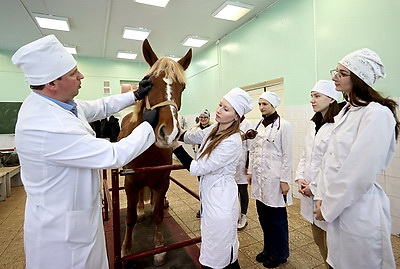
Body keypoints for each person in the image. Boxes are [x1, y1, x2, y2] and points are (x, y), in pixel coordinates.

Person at [11, 34, 158, 269]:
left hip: (78, 217)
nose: (81, 76)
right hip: (62, 237)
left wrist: (135, 95)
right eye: (73, 73)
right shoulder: (48, 125)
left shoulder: (58, 104)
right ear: (52, 83)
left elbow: (99, 106)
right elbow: (114, 155)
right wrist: (148, 127)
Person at [314, 48, 399, 269]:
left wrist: (328, 206)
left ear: (359, 78)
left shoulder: (377, 114)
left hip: (359, 210)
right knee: (337, 261)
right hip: (339, 208)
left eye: (342, 73)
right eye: (337, 71)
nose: (334, 77)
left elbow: (358, 172)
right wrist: (323, 197)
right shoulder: (346, 112)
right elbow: (329, 163)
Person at [172, 87, 253, 269]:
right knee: (220, 251)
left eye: (226, 109)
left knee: (218, 254)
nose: (218, 110)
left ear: (236, 117)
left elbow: (197, 168)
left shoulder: (232, 141)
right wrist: (174, 129)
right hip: (211, 197)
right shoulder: (213, 129)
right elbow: (191, 136)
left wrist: (174, 146)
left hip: (221, 200)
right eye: (220, 105)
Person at [294, 80, 342, 268]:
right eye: (311, 96)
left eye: (316, 96)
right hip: (310, 191)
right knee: (319, 239)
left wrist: (314, 187)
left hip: (326, 195)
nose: (312, 100)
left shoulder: (338, 126)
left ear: (331, 99)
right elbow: (306, 156)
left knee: (333, 245)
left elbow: (332, 165)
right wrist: (300, 178)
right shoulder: (315, 125)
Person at [247, 91, 292, 268]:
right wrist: (250, 171)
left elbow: (288, 155)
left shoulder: (284, 126)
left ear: (273, 105)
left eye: (265, 104)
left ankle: (280, 254)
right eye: (259, 104)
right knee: (263, 216)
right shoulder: (257, 125)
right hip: (259, 178)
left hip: (275, 179)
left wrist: (285, 180)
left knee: (277, 218)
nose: (261, 107)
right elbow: (252, 150)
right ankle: (268, 249)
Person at [190, 109, 212, 218]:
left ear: (209, 118)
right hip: (199, 161)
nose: (203, 119)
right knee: (202, 186)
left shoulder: (213, 129)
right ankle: (202, 207)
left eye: (205, 117)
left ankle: (209, 208)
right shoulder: (195, 129)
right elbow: (193, 144)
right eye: (201, 117)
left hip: (210, 161)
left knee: (210, 187)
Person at [235, 116, 253, 230]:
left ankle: (243, 216)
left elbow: (251, 148)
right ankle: (235, 214)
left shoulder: (248, 124)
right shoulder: (231, 123)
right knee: (233, 190)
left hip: (242, 163)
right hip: (231, 164)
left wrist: (248, 166)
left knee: (242, 190)